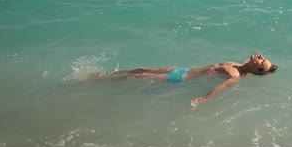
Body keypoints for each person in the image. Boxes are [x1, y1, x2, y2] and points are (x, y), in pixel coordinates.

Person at [90, 53, 278, 107]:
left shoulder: (235, 75)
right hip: (185, 69)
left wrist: (203, 99)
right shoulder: (238, 64)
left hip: (181, 77)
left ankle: (97, 81)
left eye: (262, 60)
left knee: (138, 76)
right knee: (142, 69)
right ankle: (107, 74)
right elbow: (252, 59)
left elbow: (220, 87)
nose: (260, 56)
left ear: (257, 68)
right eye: (262, 56)